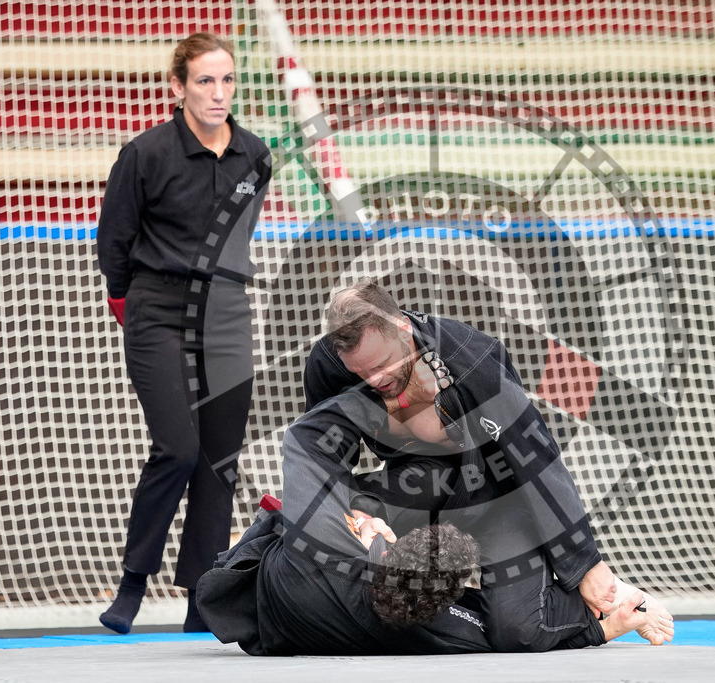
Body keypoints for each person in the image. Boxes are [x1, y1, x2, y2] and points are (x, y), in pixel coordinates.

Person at [195, 390, 673, 655]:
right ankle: (592, 591)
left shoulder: (317, 548)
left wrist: (352, 518)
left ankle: (581, 571)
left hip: (363, 540)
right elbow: (511, 635)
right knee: (516, 628)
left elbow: (292, 494)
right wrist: (606, 626)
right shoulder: (434, 627)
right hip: (489, 504)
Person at [301, 278, 626, 620]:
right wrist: (347, 519)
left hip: (497, 495)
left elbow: (534, 457)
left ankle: (615, 610)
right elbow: (326, 460)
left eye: (382, 365)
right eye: (361, 373)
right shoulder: (329, 365)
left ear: (402, 329)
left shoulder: (469, 359)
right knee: (340, 545)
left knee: (514, 625)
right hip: (421, 485)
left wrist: (585, 563)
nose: (374, 380)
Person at [95, 32, 271, 634]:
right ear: (178, 87)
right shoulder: (145, 154)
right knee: (177, 448)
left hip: (225, 317)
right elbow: (112, 243)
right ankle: (132, 583)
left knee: (219, 462)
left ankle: (204, 598)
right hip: (157, 312)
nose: (218, 93)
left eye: (226, 80)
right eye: (204, 81)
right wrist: (130, 303)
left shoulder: (256, 155)